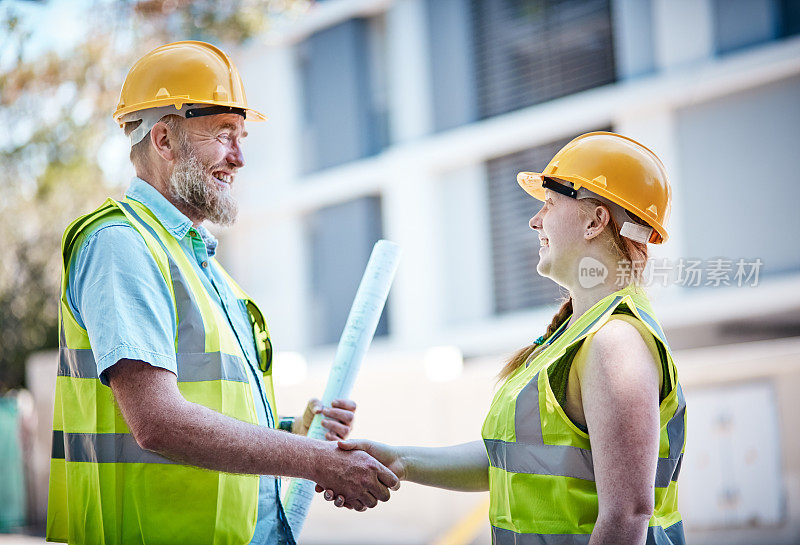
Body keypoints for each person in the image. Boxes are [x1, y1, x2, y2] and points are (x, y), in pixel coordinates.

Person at [46, 41, 399, 545]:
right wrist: (316, 461)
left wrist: (296, 429)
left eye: (242, 135)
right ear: (164, 140)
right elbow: (159, 422)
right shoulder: (120, 245)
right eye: (223, 134)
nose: (239, 157)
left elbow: (208, 404)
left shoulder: (198, 262)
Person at [318, 132, 686, 544]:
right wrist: (401, 460)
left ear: (595, 221)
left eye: (549, 203)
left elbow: (626, 518)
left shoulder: (615, 344)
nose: (535, 220)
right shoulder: (576, 336)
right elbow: (509, 460)